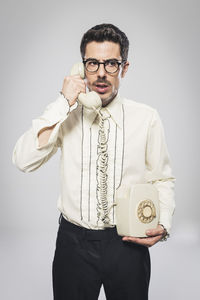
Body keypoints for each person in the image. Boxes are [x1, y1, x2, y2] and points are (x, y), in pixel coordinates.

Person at [12, 23, 175, 300]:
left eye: (111, 63)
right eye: (92, 63)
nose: (101, 73)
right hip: (73, 243)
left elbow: (162, 178)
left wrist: (164, 224)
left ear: (124, 68)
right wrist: (64, 102)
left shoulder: (147, 118)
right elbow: (23, 160)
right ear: (81, 67)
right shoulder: (65, 116)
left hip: (127, 243)